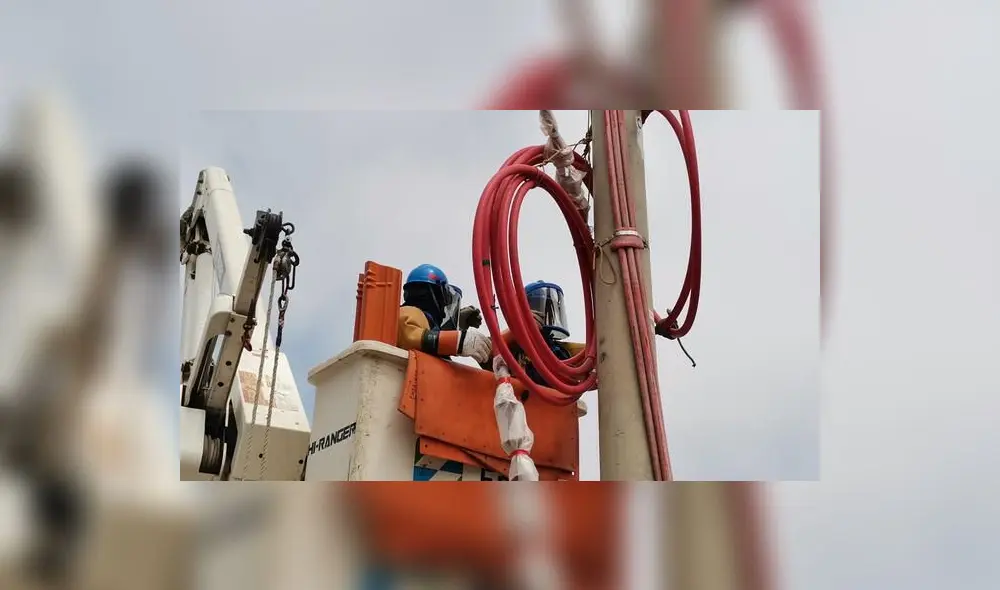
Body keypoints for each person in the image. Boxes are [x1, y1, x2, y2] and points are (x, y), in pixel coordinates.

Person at [487, 281, 585, 388]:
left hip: (546, 399)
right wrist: (516, 331)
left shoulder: (558, 351)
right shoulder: (510, 347)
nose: (543, 315)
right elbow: (487, 350)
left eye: (548, 310)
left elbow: (565, 376)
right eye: (538, 306)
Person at [397, 264, 492, 364]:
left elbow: (433, 341)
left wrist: (459, 325)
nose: (443, 310)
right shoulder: (408, 312)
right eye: (445, 300)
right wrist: (458, 341)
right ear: (437, 295)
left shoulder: (423, 322)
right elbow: (409, 335)